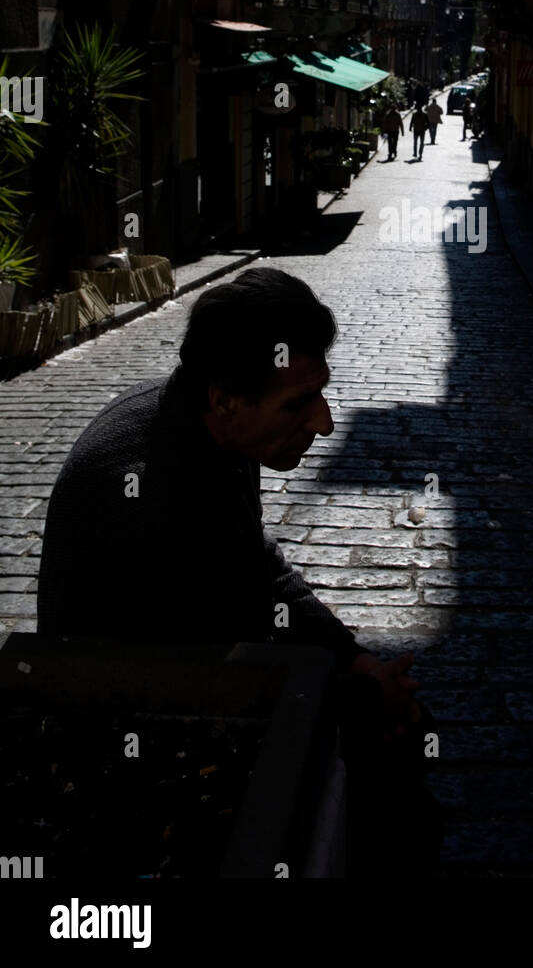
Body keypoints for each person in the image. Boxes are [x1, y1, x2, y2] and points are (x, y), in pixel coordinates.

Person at [37, 267, 441, 877]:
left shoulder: (206, 425)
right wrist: (362, 694)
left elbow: (257, 571)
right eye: (298, 403)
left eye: (320, 394)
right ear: (226, 400)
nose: (325, 422)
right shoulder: (150, 493)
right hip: (122, 738)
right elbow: (210, 669)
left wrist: (354, 658)